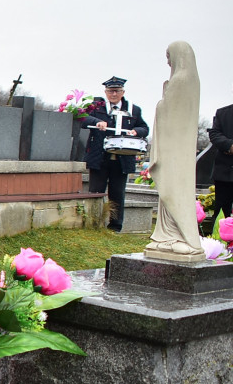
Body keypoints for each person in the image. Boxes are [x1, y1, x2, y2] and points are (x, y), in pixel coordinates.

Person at [144, 41, 204, 260]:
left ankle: (179, 237)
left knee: (173, 189)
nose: (167, 60)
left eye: (169, 55)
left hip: (173, 147)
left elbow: (168, 111)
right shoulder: (192, 80)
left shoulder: (180, 80)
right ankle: (168, 236)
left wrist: (162, 99)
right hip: (179, 146)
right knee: (173, 191)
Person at [81, 76, 149, 232]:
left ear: (122, 92)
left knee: (117, 194)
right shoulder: (96, 107)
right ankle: (94, 224)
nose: (113, 94)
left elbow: (144, 128)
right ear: (105, 92)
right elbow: (82, 118)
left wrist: (136, 131)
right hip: (100, 157)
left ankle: (115, 226)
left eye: (117, 91)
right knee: (95, 192)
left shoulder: (134, 109)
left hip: (122, 159)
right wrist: (96, 122)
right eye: (110, 91)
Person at [208, 87, 233, 220]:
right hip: (225, 172)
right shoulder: (223, 113)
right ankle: (222, 238)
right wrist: (230, 146)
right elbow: (214, 134)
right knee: (223, 212)